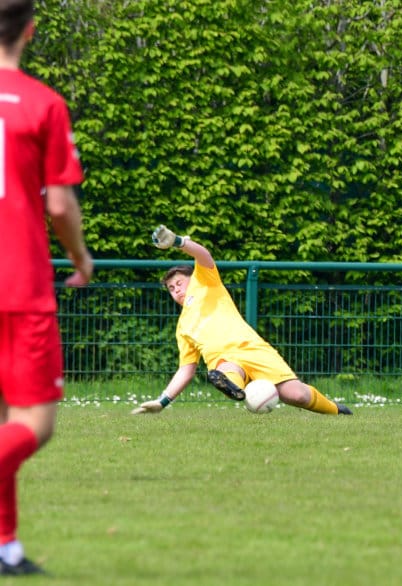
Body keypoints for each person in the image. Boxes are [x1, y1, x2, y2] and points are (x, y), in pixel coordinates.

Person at [0, 0, 94, 575]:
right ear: (30, 31)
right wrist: (81, 258)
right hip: (19, 282)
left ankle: (5, 546)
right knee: (32, 423)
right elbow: (59, 204)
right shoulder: (43, 104)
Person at [131, 226, 352, 416]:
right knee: (227, 371)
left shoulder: (205, 283)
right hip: (224, 360)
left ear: (193, 278)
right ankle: (231, 385)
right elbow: (186, 370)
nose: (176, 289)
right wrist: (162, 401)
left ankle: (336, 409)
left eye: (179, 283)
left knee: (297, 395)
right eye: (171, 288)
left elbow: (203, 255)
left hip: (253, 349)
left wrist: (179, 242)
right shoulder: (183, 327)